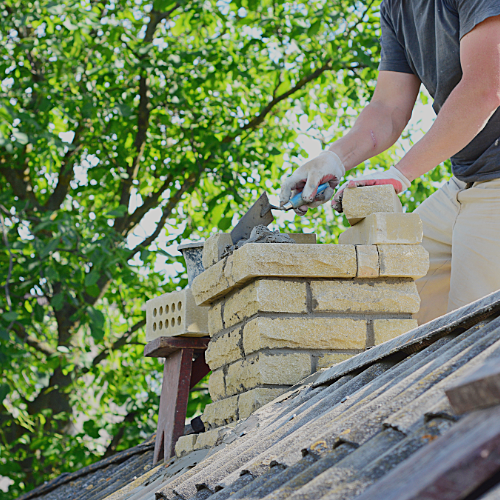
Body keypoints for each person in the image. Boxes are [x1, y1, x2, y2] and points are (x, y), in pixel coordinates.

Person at [279, 1, 500, 325]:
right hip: (465, 182)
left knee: (475, 337)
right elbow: (388, 108)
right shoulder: (396, 7)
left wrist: (400, 174)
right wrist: (335, 158)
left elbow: (485, 88)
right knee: (390, 305)